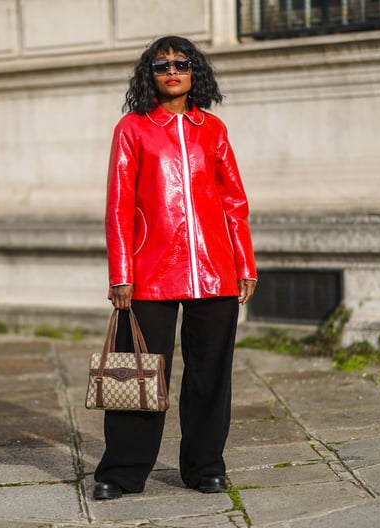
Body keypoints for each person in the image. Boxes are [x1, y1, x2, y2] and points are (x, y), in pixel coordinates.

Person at [94, 35, 257, 500]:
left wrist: (244, 261)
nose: (172, 70)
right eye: (162, 65)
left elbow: (234, 202)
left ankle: (205, 466)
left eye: (181, 63)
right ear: (150, 75)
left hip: (215, 270)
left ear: (194, 72)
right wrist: (121, 272)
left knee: (210, 375)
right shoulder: (133, 128)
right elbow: (118, 206)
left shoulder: (214, 129)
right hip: (149, 273)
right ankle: (122, 471)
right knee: (140, 371)